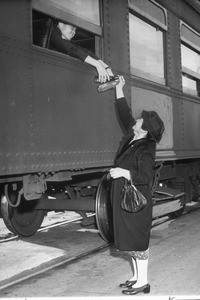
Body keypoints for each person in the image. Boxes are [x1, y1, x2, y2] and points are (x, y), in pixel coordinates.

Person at [109, 76, 164, 295]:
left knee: (138, 241)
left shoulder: (146, 149)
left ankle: (143, 282)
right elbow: (125, 114)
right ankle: (135, 277)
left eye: (140, 121)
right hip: (126, 196)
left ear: (146, 130)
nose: (136, 120)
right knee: (129, 239)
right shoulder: (135, 135)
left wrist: (124, 172)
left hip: (136, 200)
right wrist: (119, 89)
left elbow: (145, 177)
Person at [49, 22, 114, 83]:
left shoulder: (63, 40)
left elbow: (83, 50)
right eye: (72, 28)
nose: (74, 33)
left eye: (75, 30)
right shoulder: (51, 32)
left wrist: (105, 66)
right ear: (60, 24)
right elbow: (71, 49)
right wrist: (98, 65)